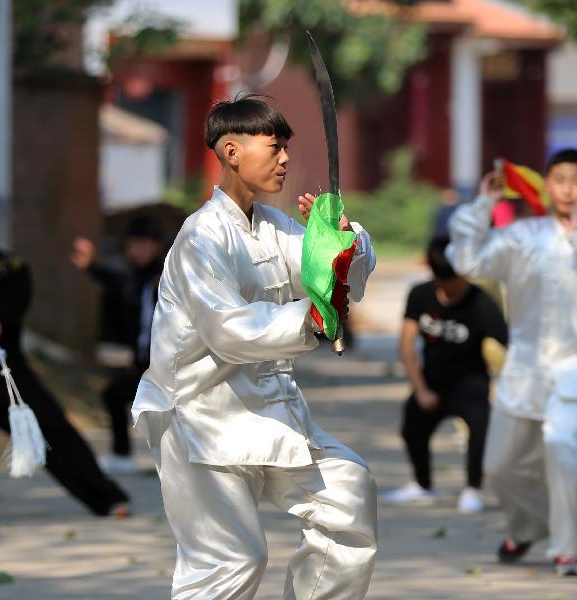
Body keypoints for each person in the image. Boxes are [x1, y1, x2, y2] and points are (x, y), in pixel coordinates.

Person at [132, 94, 378, 599]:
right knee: (231, 561)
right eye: (274, 146)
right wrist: (311, 317)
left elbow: (329, 274)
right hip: (200, 418)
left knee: (348, 498)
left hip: (270, 412)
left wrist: (338, 239)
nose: (286, 159)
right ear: (231, 151)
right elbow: (229, 330)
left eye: (286, 147)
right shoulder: (201, 237)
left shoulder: (272, 225)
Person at [446, 149, 577, 576]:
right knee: (500, 465)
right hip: (525, 368)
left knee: (565, 448)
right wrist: (484, 205)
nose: (568, 189)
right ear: (547, 184)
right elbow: (468, 259)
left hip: (576, 368)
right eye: (560, 179)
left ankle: (568, 547)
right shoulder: (522, 236)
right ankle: (530, 526)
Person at [0, 189, 130, 516]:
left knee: (53, 428)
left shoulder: (12, 267)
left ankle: (106, 497)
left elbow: (8, 314)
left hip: (4, 372)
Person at [383, 237, 508, 513]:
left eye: (454, 280)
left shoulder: (481, 303)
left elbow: (511, 345)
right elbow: (406, 345)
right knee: (412, 424)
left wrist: (510, 386)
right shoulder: (420, 294)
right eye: (442, 281)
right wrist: (421, 389)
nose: (449, 288)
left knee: (480, 426)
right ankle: (422, 485)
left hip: (470, 382)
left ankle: (472, 489)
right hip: (431, 380)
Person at [70, 216, 164, 473]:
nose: (139, 250)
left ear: (156, 246)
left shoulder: (169, 276)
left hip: (171, 364)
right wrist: (90, 266)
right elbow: (113, 279)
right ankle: (122, 455)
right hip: (144, 365)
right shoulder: (133, 279)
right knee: (113, 395)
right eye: (134, 245)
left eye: (144, 245)